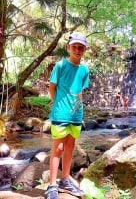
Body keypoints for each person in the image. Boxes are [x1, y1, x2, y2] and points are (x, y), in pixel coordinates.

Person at [45, 32, 89, 199]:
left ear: (84, 49)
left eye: (81, 47)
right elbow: (52, 87)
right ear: (68, 48)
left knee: (70, 147)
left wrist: (78, 110)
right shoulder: (61, 66)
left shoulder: (84, 69)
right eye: (75, 47)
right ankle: (51, 185)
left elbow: (80, 93)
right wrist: (57, 104)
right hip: (60, 114)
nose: (78, 50)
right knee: (58, 148)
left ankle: (65, 180)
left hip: (76, 115)